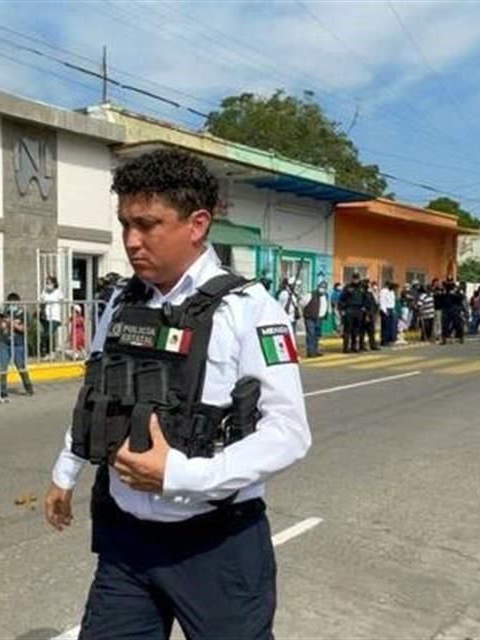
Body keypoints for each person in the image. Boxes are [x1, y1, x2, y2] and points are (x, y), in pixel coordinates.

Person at [43, 149, 311, 639]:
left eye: (148, 224)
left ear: (197, 224)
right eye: (125, 223)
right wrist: (66, 472)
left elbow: (289, 433)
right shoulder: (123, 303)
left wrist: (183, 473)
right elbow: (97, 393)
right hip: (127, 543)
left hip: (215, 547)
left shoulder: (250, 309)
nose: (131, 241)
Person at [0, 292, 34, 399]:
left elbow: (24, 329)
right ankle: (2, 390)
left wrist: (12, 323)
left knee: (21, 366)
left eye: (14, 304)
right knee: (2, 367)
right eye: (10, 304)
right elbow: (0, 326)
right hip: (4, 342)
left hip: (18, 343)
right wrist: (3, 324)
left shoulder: (23, 313)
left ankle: (28, 386)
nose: (12, 306)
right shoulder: (4, 312)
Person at [301, 281, 329, 357]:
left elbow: (326, 305)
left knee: (317, 334)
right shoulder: (311, 294)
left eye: (324, 288)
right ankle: (310, 352)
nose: (322, 289)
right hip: (310, 317)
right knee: (311, 334)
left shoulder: (325, 296)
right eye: (321, 287)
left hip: (319, 318)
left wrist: (325, 314)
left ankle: (315, 350)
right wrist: (306, 312)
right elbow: (302, 303)